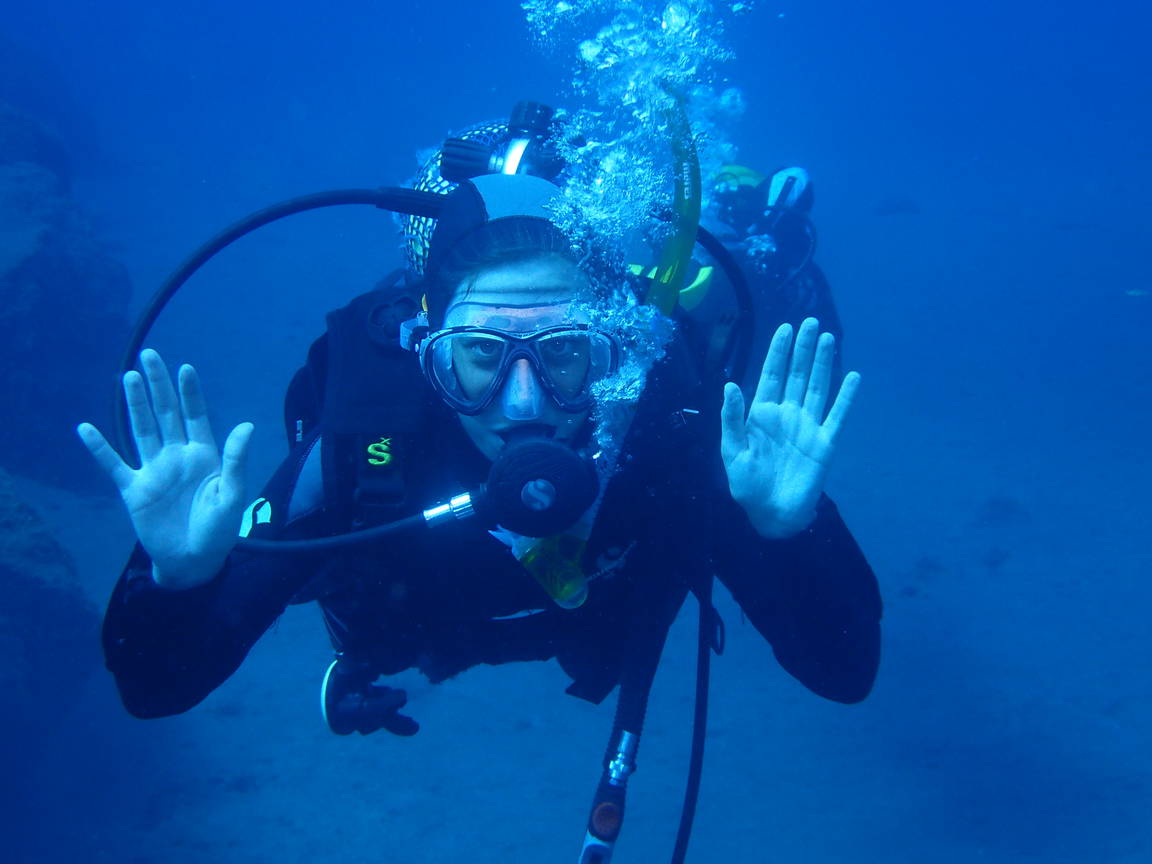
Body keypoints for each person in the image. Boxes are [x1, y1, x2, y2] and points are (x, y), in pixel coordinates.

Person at [77, 120, 882, 844]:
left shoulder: (667, 438)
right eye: (482, 356)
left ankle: (769, 237)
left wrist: (790, 531)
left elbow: (845, 673)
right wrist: (175, 577)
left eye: (566, 351)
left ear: (613, 352)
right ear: (431, 353)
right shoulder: (366, 445)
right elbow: (154, 687)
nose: (524, 403)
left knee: (755, 295)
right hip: (429, 626)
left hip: (581, 623)